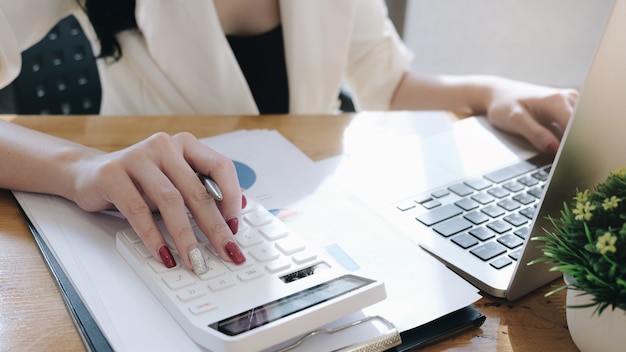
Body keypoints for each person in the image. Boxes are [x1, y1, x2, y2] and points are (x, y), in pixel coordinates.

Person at [0, 0, 577, 273]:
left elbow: (387, 80)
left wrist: (487, 92)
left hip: (307, 233)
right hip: (160, 231)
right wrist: (78, 167)